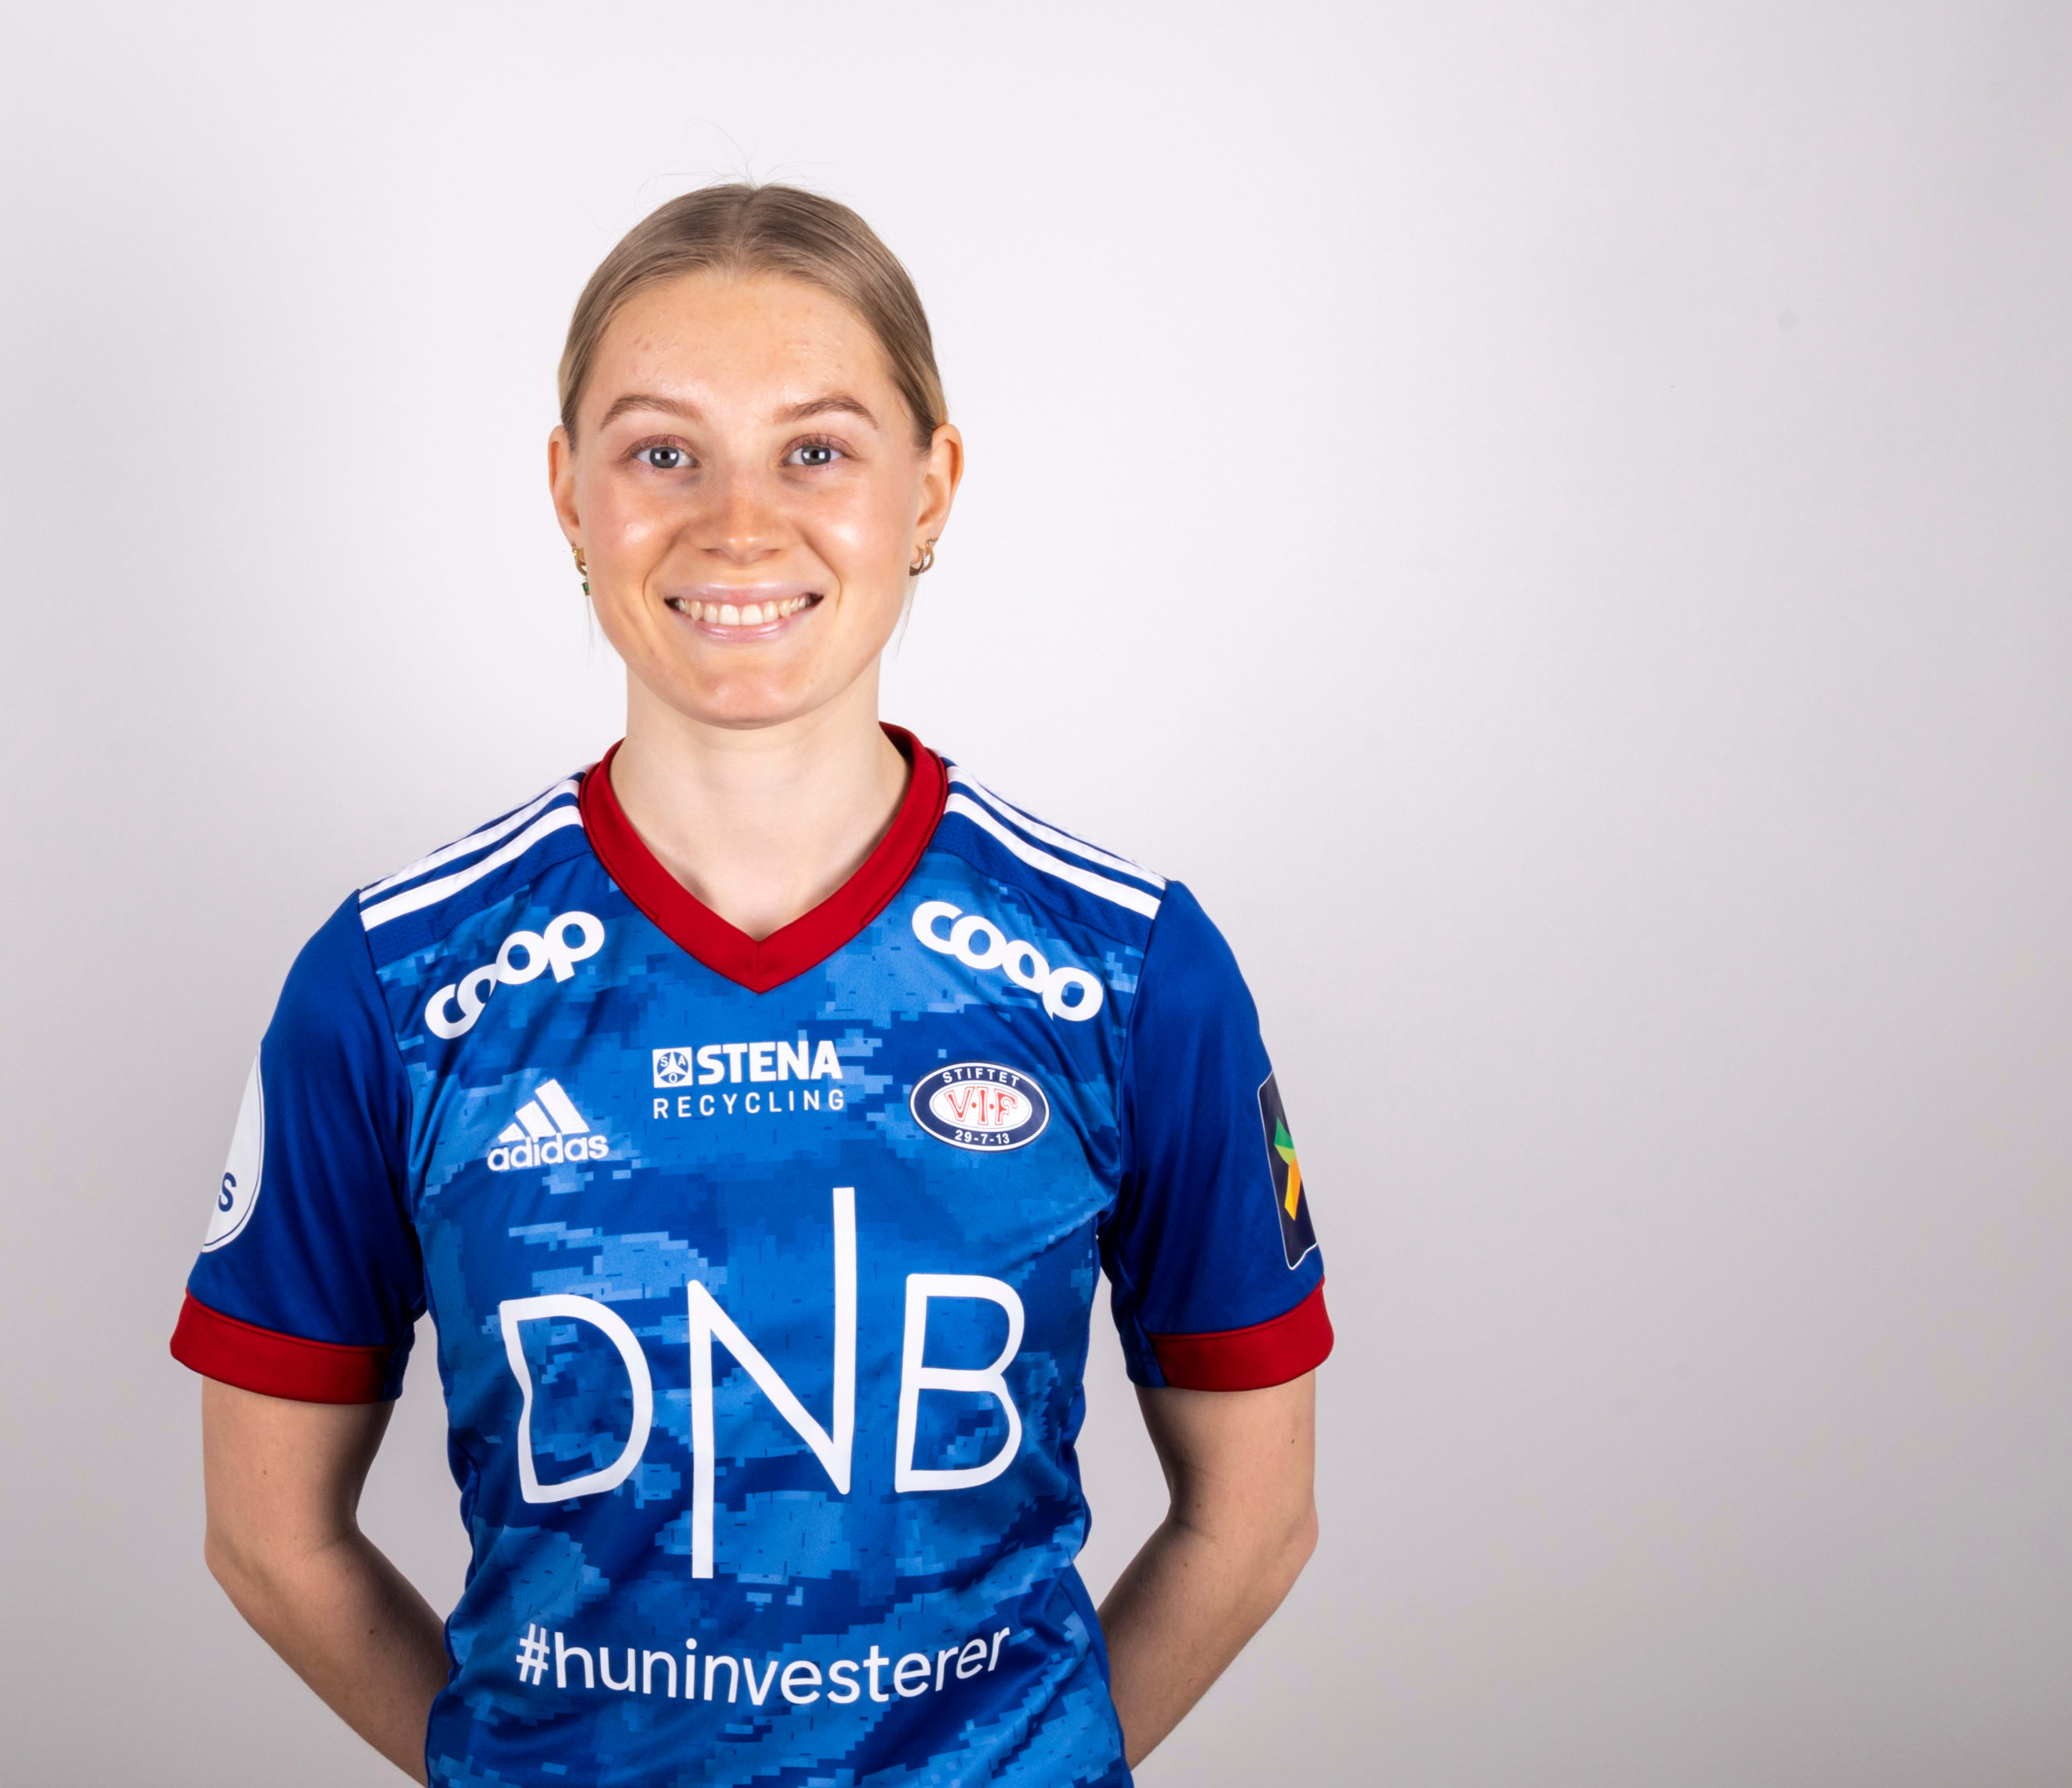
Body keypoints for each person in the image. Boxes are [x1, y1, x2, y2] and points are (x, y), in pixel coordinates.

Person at [169, 183, 1330, 1787]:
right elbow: (267, 1536)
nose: (736, 525)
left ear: (930, 487)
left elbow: (1254, 1518)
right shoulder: (393, 986)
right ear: (568, 494)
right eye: (661, 452)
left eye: (817, 450)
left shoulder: (1127, 970)